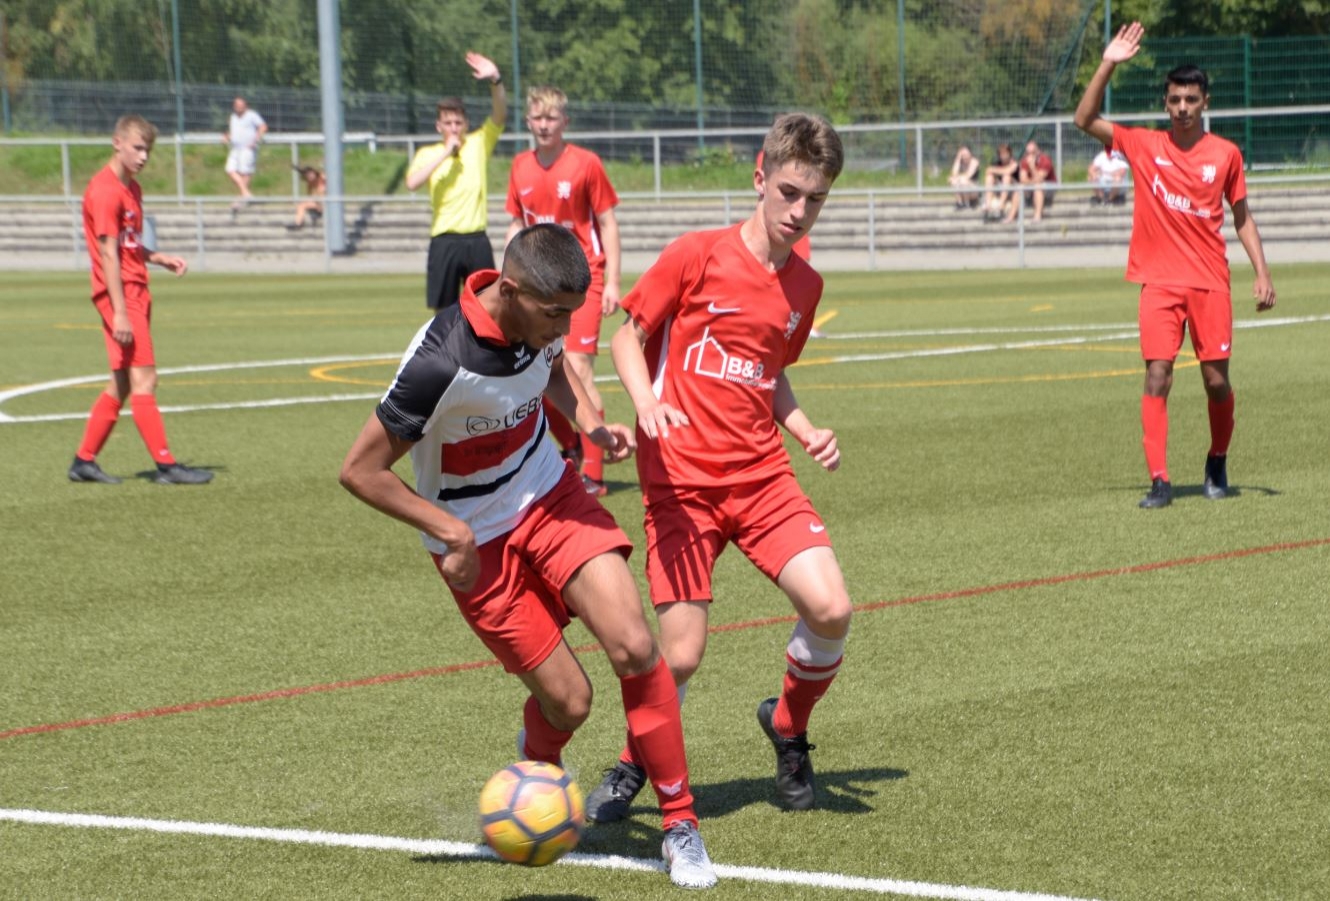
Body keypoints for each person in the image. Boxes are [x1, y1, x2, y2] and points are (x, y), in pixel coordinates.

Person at [338, 223, 717, 890]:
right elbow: (360, 471)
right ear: (509, 291)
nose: (564, 328)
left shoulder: (540, 319)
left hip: (549, 492)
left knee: (635, 645)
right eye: (554, 315)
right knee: (571, 702)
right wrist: (451, 533)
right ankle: (538, 758)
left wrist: (589, 420)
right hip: (476, 539)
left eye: (571, 313)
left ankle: (679, 823)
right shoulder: (439, 363)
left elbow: (554, 370)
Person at [585, 113, 852, 820]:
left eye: (816, 199)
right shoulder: (696, 254)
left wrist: (805, 429)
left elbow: (771, 373)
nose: (799, 211)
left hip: (762, 479)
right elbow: (626, 338)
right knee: (680, 655)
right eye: (789, 192)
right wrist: (647, 403)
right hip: (681, 485)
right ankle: (632, 761)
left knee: (831, 609)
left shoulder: (805, 287)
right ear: (760, 177)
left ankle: (788, 725)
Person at [1074, 22, 1276, 509]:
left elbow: (1242, 217)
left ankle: (1217, 459)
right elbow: (1084, 118)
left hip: (1210, 283)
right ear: (1165, 103)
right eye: (1175, 99)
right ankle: (1160, 480)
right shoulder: (1144, 145)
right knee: (1157, 375)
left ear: (1205, 102)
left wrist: (1262, 272)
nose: (1183, 107)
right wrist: (1108, 63)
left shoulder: (1226, 154)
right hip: (1159, 283)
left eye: (1191, 99)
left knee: (1216, 381)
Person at [68, 114, 214, 486]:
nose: (144, 156)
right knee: (145, 378)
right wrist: (119, 311)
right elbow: (108, 254)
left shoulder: (132, 188)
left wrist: (157, 257)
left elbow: (127, 246)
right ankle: (167, 466)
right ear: (117, 143)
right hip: (123, 295)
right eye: (137, 148)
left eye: (147, 149)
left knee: (121, 382)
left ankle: (83, 461)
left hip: (134, 290)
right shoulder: (105, 191)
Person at [504, 85, 622, 497]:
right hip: (537, 283)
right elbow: (516, 224)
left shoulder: (586, 164)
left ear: (564, 122)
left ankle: (595, 474)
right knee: (533, 370)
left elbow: (607, 224)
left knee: (578, 368)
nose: (544, 125)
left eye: (551, 118)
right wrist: (506, 275)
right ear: (528, 121)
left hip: (581, 280)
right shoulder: (519, 166)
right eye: (537, 118)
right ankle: (571, 446)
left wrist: (613, 282)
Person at [407, 52, 506, 311]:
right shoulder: (428, 154)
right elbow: (412, 183)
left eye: (458, 122)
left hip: (476, 238)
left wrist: (495, 79)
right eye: (448, 123)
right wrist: (445, 153)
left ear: (466, 124)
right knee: (444, 313)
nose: (453, 127)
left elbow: (499, 114)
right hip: (444, 240)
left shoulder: (478, 143)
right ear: (438, 126)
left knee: (488, 307)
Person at [223, 97, 267, 214]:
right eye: (237, 106)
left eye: (242, 106)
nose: (240, 108)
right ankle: (246, 195)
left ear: (245, 106)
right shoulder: (233, 117)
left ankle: (241, 199)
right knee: (230, 170)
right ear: (234, 106)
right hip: (235, 148)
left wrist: (256, 140)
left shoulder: (252, 115)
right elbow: (233, 132)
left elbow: (263, 126)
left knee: (245, 172)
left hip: (247, 148)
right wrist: (227, 137)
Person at [1003, 140, 1057, 223]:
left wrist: (1032, 166)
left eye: (1033, 152)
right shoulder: (1025, 161)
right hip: (1033, 184)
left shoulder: (1045, 160)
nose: (1030, 155)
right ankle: (1011, 216)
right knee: (1019, 188)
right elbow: (1022, 179)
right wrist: (1031, 181)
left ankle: (1037, 216)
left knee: (1038, 187)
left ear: (1038, 151)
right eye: (1028, 153)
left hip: (1049, 185)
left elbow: (1040, 179)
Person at [982, 143, 1019, 221]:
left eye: (1005, 153)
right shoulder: (997, 163)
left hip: (1013, 190)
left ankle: (1001, 206)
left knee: (1007, 177)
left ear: (1009, 153)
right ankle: (988, 205)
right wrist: (1004, 170)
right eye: (1001, 154)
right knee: (989, 177)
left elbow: (1008, 171)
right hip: (1000, 188)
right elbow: (988, 170)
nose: (1003, 156)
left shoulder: (1014, 163)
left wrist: (996, 170)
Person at [288, 165, 326, 230]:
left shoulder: (322, 177)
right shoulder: (311, 183)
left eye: (310, 174)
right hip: (319, 202)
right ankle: (298, 222)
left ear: (314, 172)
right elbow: (310, 195)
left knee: (303, 205)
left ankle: (299, 223)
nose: (310, 177)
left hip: (327, 202)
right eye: (307, 176)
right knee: (302, 205)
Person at [948, 144, 981, 209]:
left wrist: (958, 178)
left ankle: (966, 203)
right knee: (953, 181)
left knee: (963, 181)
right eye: (962, 155)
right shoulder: (960, 162)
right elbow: (954, 174)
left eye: (966, 154)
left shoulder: (974, 162)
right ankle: (960, 203)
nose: (965, 157)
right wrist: (958, 159)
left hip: (973, 189)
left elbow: (968, 176)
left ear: (970, 154)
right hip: (962, 187)